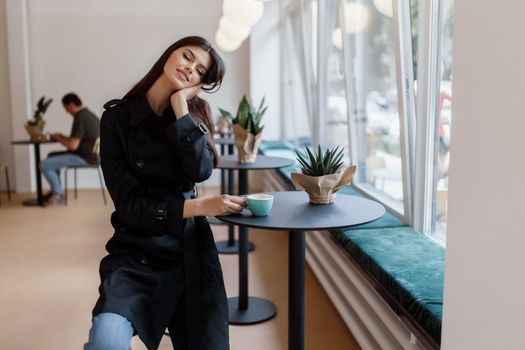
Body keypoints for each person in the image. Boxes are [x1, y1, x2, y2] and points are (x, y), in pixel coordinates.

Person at [83, 36, 247, 350]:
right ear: (169, 54)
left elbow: (201, 170)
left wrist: (181, 107)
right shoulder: (117, 118)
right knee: (107, 340)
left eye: (200, 71)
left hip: (189, 252)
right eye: (187, 57)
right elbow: (130, 206)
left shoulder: (193, 115)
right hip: (136, 253)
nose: (190, 69)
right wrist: (201, 207)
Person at [40, 93, 100, 206]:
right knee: (51, 156)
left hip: (84, 157)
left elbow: (73, 146)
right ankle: (56, 191)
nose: (66, 111)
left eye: (66, 108)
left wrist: (58, 138)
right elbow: (77, 140)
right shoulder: (89, 115)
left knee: (44, 164)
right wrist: (61, 137)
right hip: (92, 156)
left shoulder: (80, 118)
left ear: (71, 105)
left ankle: (59, 196)